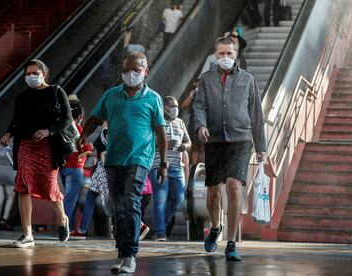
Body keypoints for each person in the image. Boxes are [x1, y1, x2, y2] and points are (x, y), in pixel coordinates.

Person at [77, 51, 167, 274]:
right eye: (126, 70)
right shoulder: (111, 95)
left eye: (136, 70)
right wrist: (83, 135)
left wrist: (163, 163)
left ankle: (130, 255)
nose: (131, 74)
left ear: (145, 72)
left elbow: (160, 133)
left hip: (139, 159)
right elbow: (96, 119)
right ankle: (121, 253)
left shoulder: (153, 98)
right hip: (114, 159)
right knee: (117, 207)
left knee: (130, 202)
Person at [193, 37, 266, 261]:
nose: (225, 58)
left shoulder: (248, 79)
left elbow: (256, 113)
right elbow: (199, 106)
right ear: (216, 55)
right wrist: (201, 126)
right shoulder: (206, 79)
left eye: (229, 54)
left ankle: (232, 243)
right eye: (221, 54)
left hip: (240, 139)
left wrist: (261, 145)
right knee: (214, 193)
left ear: (236, 56)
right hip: (214, 140)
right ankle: (216, 228)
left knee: (234, 187)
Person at [0, 59, 72, 248]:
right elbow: (16, 120)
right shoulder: (22, 97)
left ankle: (62, 218)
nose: (31, 76)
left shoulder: (56, 91)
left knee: (48, 187)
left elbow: (67, 119)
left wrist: (49, 131)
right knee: (23, 187)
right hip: (25, 146)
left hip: (48, 147)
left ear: (44, 74)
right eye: (27, 73)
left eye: (34, 73)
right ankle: (27, 234)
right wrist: (8, 132)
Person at [149, 96, 191, 242]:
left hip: (177, 167)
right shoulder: (156, 121)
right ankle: (160, 232)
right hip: (158, 165)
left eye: (177, 106)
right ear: (164, 107)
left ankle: (160, 226)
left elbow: (188, 141)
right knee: (160, 199)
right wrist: (165, 143)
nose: (175, 109)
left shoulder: (180, 122)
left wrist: (185, 146)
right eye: (172, 106)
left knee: (179, 198)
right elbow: (148, 142)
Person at [60, 96, 94, 232]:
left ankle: (68, 226)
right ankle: (65, 228)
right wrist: (90, 147)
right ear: (80, 115)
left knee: (67, 199)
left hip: (63, 168)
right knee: (70, 200)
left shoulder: (63, 128)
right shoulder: (79, 129)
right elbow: (84, 149)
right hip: (76, 169)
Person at [70, 127, 109, 238]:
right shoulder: (105, 131)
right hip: (101, 170)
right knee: (91, 198)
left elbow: (109, 150)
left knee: (112, 201)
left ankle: (139, 224)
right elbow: (102, 151)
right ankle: (81, 230)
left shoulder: (109, 131)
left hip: (103, 171)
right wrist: (88, 153)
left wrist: (102, 156)